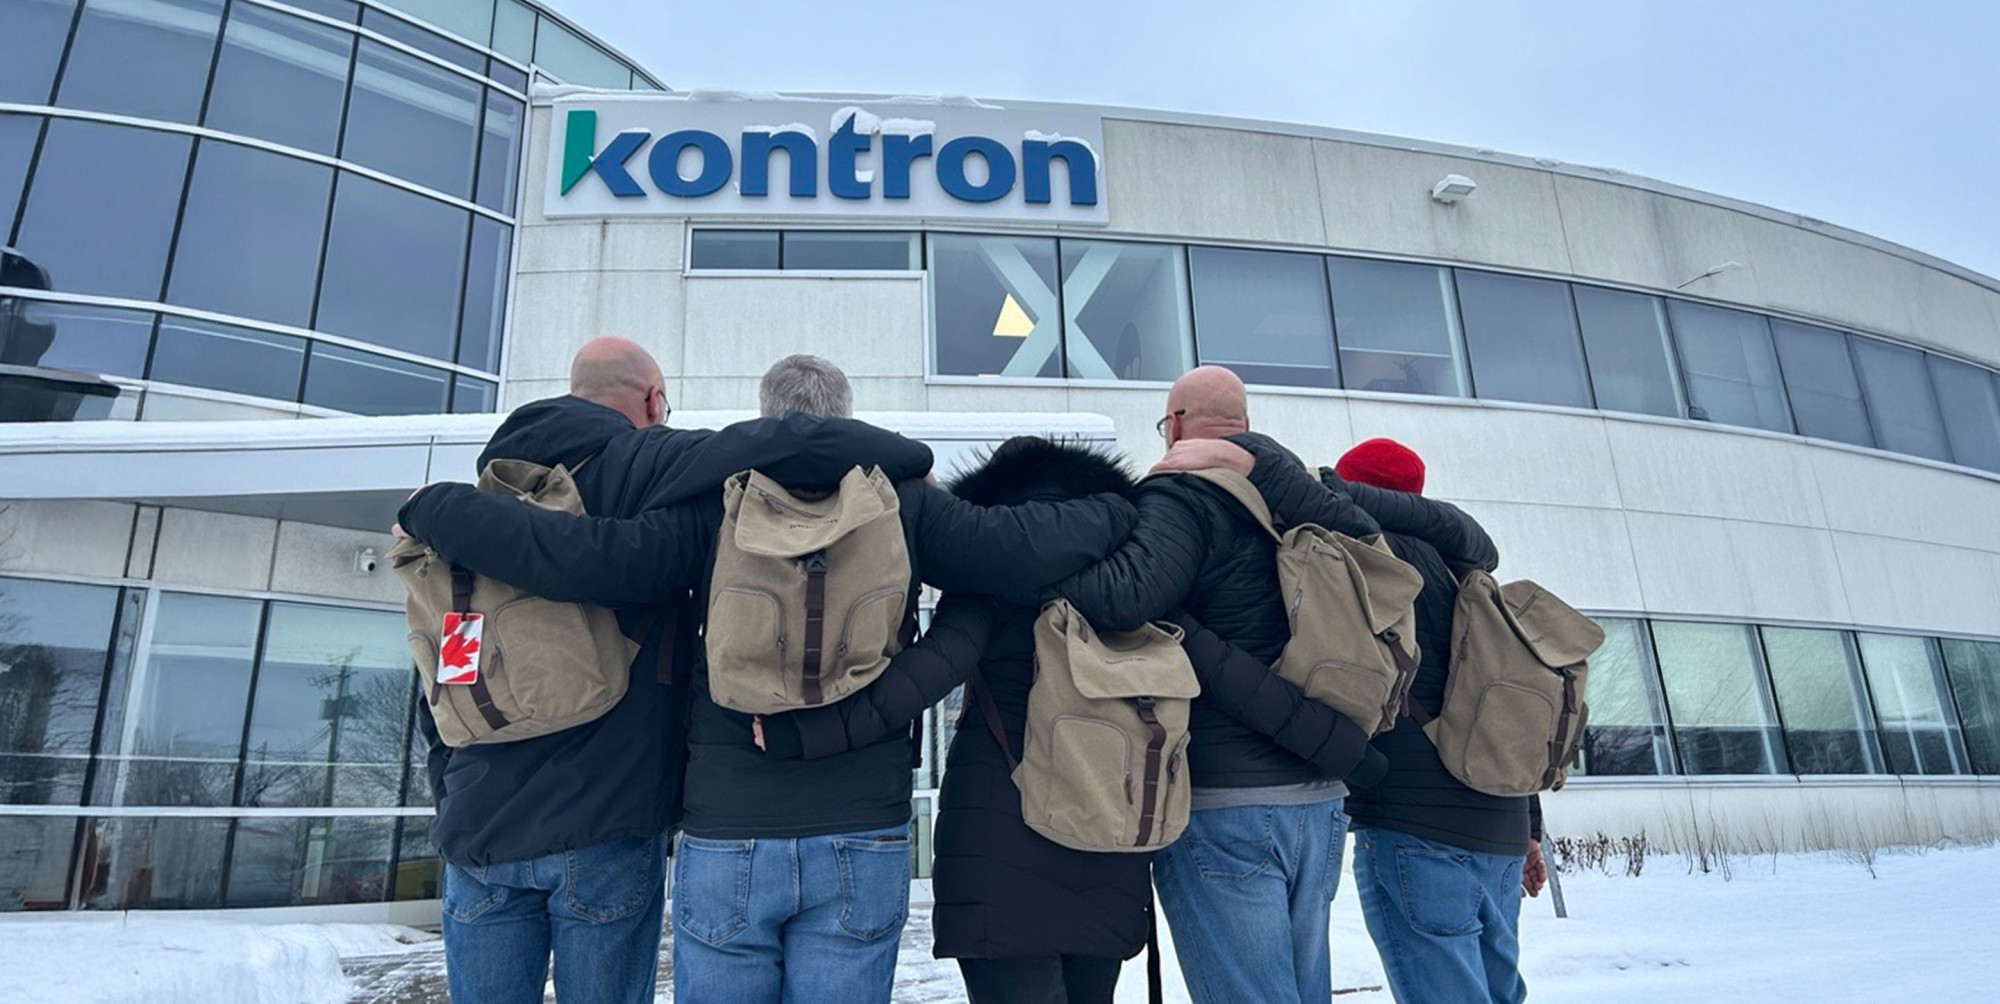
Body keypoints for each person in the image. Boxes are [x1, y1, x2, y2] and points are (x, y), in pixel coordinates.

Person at [394, 354, 1138, 1004]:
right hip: (860, 822)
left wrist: (437, 507)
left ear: (761, 416)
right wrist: (1116, 507)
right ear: (845, 415)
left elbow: (594, 561)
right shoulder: (902, 501)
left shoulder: (713, 502)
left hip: (728, 825)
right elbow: (1014, 549)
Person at [753, 434, 1388, 1004]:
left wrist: (804, 732)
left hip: (997, 844)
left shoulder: (988, 581)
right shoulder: (1129, 583)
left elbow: (924, 676)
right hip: (1107, 841)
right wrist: (1348, 751)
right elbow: (1220, 672)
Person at [1030, 366, 1385, 1004]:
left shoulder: (1188, 493)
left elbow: (1127, 596)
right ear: (1244, 430)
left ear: (1179, 424)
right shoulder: (1301, 500)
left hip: (1228, 800)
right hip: (1319, 798)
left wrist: (1033, 567)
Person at [1318, 437, 1542, 1004]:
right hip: (1501, 823)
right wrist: (1531, 829)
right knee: (1498, 991)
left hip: (1415, 823)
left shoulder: (1362, 561)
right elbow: (1510, 707)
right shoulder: (1469, 574)